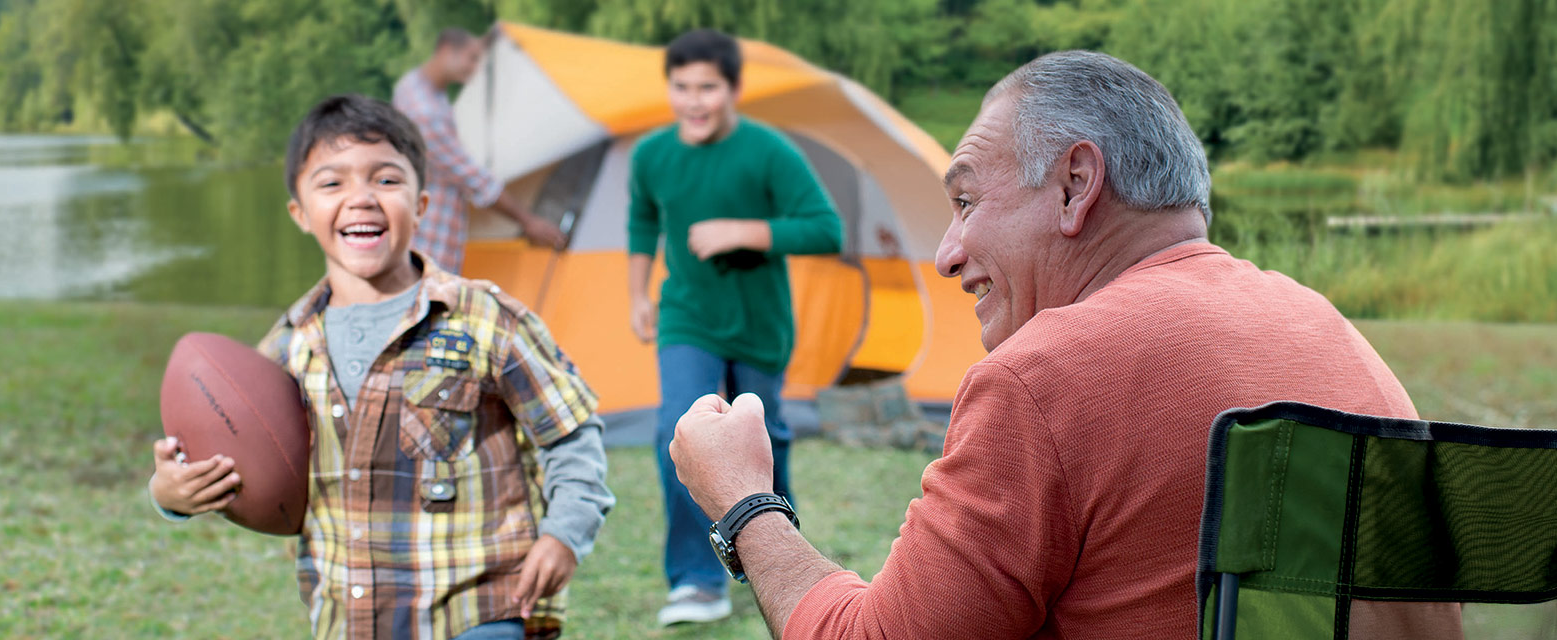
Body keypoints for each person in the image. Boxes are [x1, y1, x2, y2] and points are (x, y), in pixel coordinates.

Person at [667, 51, 1421, 638]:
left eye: (965, 202)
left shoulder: (1046, 377)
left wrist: (743, 503)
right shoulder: (1328, 328)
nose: (947, 254)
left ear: (1074, 185)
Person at [146, 94, 614, 640]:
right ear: (300, 212)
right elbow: (242, 453)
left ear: (421, 206)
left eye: (386, 180)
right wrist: (170, 494)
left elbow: (571, 435)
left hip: (482, 608)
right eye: (332, 183)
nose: (361, 198)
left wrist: (564, 533)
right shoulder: (288, 346)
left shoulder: (487, 319)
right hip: (352, 619)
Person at [625, 29, 843, 627]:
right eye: (682, 88)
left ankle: (782, 559)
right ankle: (697, 581)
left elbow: (826, 229)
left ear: (734, 90)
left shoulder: (769, 152)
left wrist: (745, 231)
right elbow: (643, 222)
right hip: (687, 318)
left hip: (759, 324)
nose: (694, 101)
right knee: (677, 430)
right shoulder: (651, 155)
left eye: (708, 88)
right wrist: (636, 294)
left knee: (763, 440)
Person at [393, 27, 566, 273]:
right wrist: (529, 222)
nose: (474, 68)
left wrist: (485, 41)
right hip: (431, 246)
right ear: (446, 50)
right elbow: (476, 180)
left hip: (419, 240)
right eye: (471, 58)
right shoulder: (425, 112)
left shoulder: (412, 86)